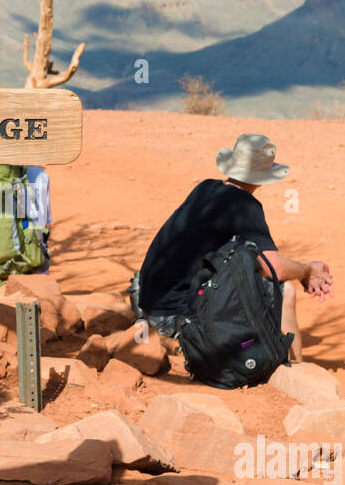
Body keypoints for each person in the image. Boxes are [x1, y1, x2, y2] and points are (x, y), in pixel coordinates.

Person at [131, 133, 332, 361]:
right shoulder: (244, 205)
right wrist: (305, 271)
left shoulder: (205, 189)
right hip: (175, 318)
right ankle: (296, 368)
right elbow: (273, 268)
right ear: (264, 176)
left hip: (148, 307)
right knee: (285, 291)